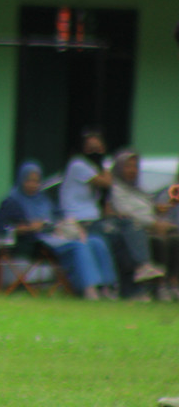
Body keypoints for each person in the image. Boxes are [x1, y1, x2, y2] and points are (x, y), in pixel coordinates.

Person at [0, 161, 116, 300]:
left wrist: (69, 226)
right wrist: (22, 228)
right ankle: (89, 289)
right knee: (79, 246)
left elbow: (57, 215)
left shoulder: (43, 199)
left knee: (96, 241)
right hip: (35, 243)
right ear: (21, 180)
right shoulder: (12, 201)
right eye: (29, 181)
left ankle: (107, 287)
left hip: (56, 235)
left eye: (36, 181)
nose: (33, 185)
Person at [58, 128, 163, 298]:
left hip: (96, 220)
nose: (96, 152)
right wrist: (104, 163)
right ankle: (140, 270)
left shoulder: (93, 167)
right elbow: (107, 182)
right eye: (92, 148)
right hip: (82, 222)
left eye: (99, 148)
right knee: (125, 233)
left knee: (127, 235)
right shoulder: (78, 164)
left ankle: (135, 282)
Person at [109, 149, 179, 301]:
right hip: (133, 231)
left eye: (135, 167)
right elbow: (126, 212)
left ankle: (172, 282)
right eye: (128, 166)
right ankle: (159, 286)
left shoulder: (138, 189)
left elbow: (147, 207)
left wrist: (157, 210)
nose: (132, 171)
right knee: (159, 242)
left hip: (151, 226)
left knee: (175, 238)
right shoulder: (115, 189)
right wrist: (153, 224)